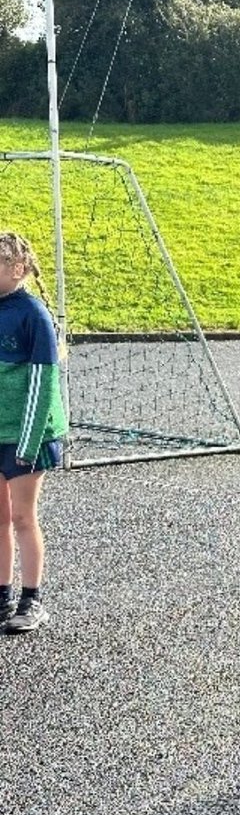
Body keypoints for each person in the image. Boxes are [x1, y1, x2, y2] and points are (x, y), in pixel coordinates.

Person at [0, 232, 68, 634]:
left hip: (29, 437)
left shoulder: (33, 315)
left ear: (17, 269)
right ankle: (2, 596)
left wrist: (27, 444)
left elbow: (42, 386)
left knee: (23, 516)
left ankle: (32, 600)